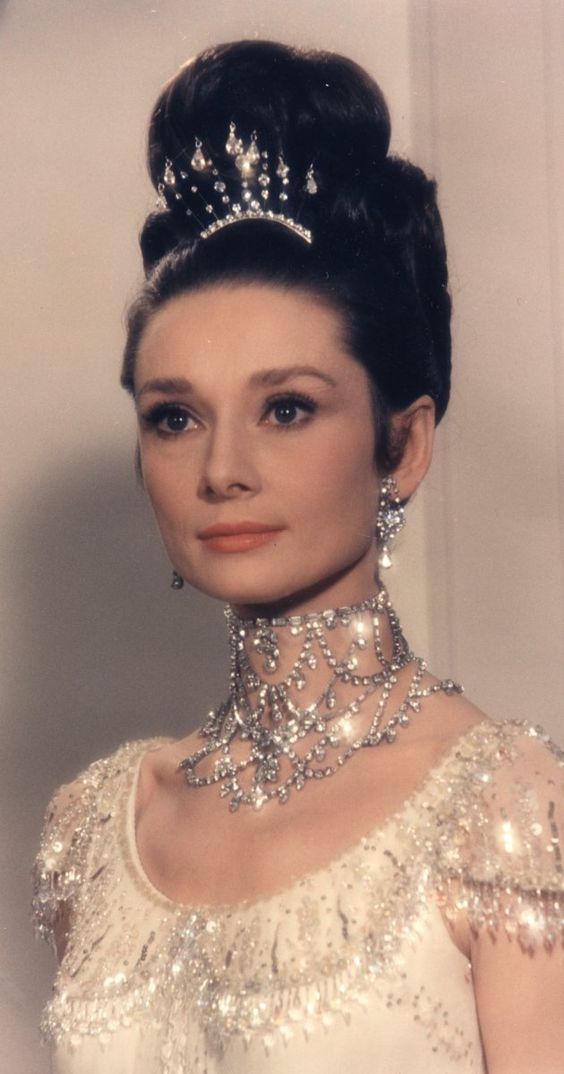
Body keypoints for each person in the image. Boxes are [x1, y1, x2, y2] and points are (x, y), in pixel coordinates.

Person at [33, 40, 564, 1074]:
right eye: (176, 416)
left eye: (286, 408)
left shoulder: (503, 810)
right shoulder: (96, 829)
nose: (222, 469)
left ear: (402, 446)